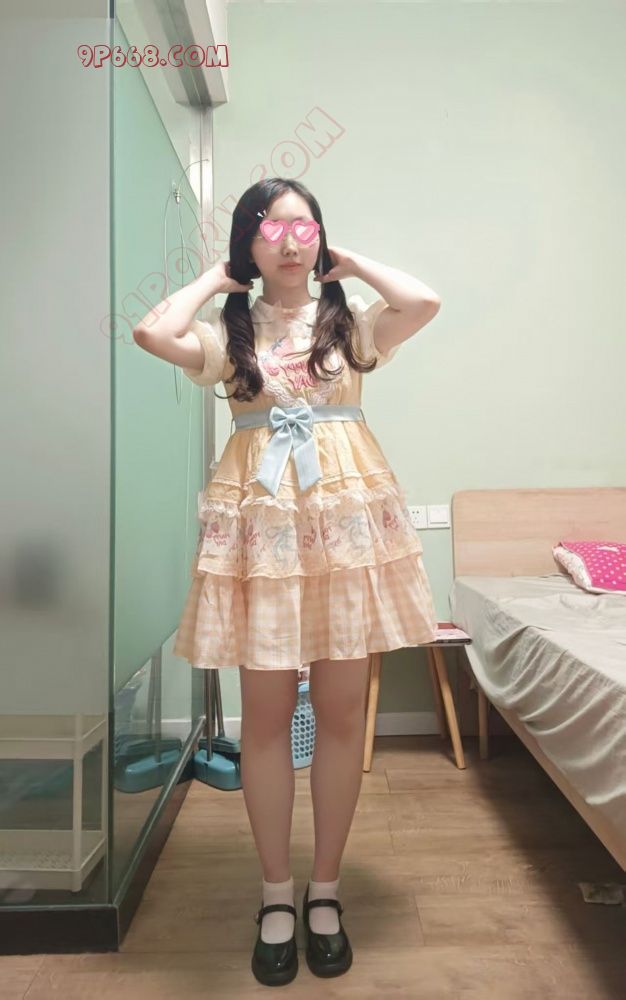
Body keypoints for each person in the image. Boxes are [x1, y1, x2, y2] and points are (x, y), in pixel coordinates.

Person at [133, 177, 441, 987]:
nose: (291, 239)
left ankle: (325, 891)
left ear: (321, 238)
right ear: (250, 242)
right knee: (266, 722)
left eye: (304, 225)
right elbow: (151, 331)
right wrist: (218, 277)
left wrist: (352, 263)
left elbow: (424, 301)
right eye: (271, 227)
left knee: (341, 717)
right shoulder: (226, 332)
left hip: (343, 538)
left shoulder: (351, 322)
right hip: (264, 541)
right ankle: (276, 894)